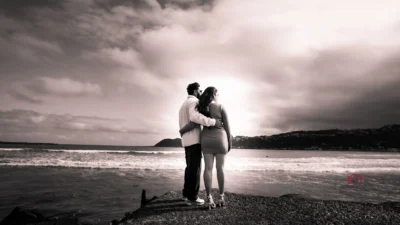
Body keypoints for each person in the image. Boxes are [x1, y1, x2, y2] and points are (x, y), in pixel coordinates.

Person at [179, 86, 232, 209]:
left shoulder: (202, 107)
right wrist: (229, 142)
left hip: (206, 140)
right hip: (220, 139)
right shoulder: (220, 107)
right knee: (220, 169)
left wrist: (182, 130)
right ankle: (221, 197)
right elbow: (228, 127)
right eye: (217, 94)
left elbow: (194, 122)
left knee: (207, 169)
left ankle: (209, 198)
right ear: (214, 95)